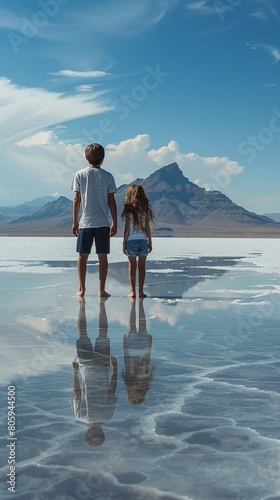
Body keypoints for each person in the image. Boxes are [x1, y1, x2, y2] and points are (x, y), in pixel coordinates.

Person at [71, 143, 117, 297]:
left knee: (82, 256)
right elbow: (112, 201)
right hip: (102, 223)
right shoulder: (108, 176)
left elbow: (76, 200)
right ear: (103, 158)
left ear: (86, 157)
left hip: (85, 222)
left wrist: (75, 221)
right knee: (102, 256)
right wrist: (114, 222)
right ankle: (101, 290)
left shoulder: (79, 174)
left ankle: (82, 289)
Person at [72, 298, 118, 447]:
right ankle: (82, 304)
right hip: (86, 366)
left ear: (102, 432)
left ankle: (102, 303)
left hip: (103, 366)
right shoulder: (80, 416)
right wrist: (75, 371)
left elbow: (111, 391)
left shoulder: (108, 415)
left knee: (103, 332)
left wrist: (115, 368)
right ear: (87, 433)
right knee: (83, 334)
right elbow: (77, 393)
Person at [121, 184, 155, 298]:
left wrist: (124, 242)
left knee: (132, 266)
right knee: (142, 266)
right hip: (142, 240)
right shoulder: (144, 210)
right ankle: (140, 291)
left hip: (131, 240)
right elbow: (147, 227)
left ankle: (133, 292)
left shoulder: (128, 210)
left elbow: (126, 228)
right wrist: (149, 241)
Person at [121, 299, 155, 405]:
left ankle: (138, 303)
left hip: (143, 349)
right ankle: (133, 304)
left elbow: (147, 361)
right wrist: (124, 346)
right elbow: (126, 361)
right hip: (131, 350)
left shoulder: (146, 381)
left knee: (142, 325)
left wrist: (150, 345)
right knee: (132, 325)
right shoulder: (129, 380)